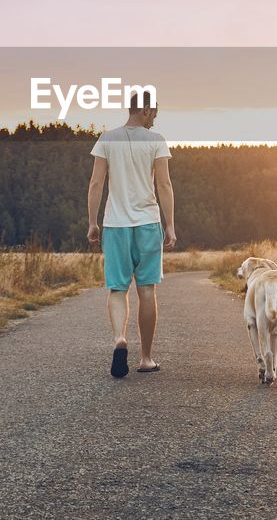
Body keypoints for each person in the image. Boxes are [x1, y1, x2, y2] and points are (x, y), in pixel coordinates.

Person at [86, 92, 177, 378]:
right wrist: (170, 225)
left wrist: (92, 222)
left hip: (115, 224)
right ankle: (146, 358)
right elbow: (164, 185)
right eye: (156, 113)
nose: (156, 119)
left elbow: (96, 183)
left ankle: (119, 340)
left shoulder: (106, 139)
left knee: (117, 288)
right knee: (147, 290)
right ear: (146, 110)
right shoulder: (156, 141)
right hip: (148, 223)